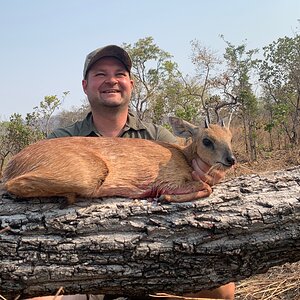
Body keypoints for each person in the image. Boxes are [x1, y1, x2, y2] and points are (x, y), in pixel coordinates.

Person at [40, 45, 234, 300]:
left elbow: (196, 167)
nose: (111, 80)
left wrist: (209, 174)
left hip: (150, 249)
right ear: (85, 85)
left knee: (224, 291)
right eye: (100, 74)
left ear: (130, 83)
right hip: (83, 254)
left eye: (119, 73)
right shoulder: (61, 140)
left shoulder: (158, 138)